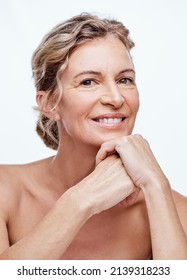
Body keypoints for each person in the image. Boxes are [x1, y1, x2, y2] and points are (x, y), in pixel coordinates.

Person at [0, 13, 187, 260]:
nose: (116, 98)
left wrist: (155, 182)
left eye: (124, 80)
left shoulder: (170, 207)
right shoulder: (7, 190)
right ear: (49, 104)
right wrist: (81, 200)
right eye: (88, 81)